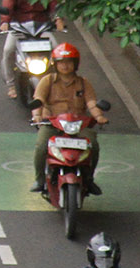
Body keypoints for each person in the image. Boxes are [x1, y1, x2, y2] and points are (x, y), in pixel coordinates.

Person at [31, 43, 107, 195]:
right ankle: (39, 179)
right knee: (41, 146)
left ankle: (89, 179)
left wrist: (99, 116)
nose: (65, 66)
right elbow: (38, 99)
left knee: (94, 146)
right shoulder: (47, 81)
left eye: (68, 62)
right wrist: (37, 115)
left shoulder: (83, 83)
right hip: (52, 123)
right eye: (61, 62)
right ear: (55, 64)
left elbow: (91, 102)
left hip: (78, 124)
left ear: (75, 64)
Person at [0, 0, 63, 99]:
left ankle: (60, 82)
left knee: (57, 50)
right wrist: (5, 22)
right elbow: (7, 6)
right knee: (8, 50)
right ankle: (10, 84)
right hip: (19, 27)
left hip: (41, 27)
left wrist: (58, 19)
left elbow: (54, 4)